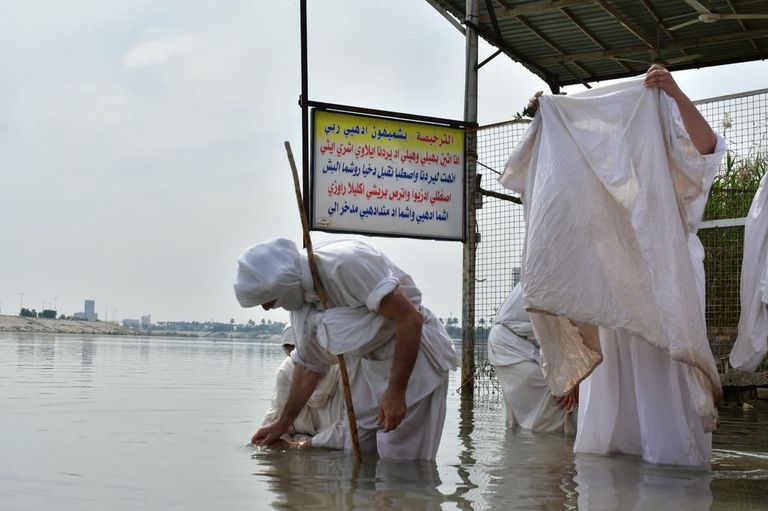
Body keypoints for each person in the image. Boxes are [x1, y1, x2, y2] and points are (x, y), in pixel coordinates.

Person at [504, 65, 725, 467]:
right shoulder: (604, 193)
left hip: (667, 288)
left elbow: (708, 149)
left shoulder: (669, 175)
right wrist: (547, 115)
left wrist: (674, 92)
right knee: (611, 398)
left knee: (662, 384)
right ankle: (613, 484)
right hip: (615, 295)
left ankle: (672, 475)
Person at [234, 238, 459, 460]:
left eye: (267, 300)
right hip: (365, 369)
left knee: (399, 460)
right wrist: (280, 425)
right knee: (356, 450)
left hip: (410, 364)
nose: (266, 308)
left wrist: (396, 392)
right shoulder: (301, 307)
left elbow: (410, 319)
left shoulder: (346, 263)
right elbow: (309, 366)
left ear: (283, 283)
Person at [488, 284, 577, 434]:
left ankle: (521, 443)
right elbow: (554, 333)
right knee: (556, 401)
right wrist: (566, 379)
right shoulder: (555, 280)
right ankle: (552, 445)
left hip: (509, 343)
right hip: (510, 344)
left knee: (521, 413)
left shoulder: (550, 275)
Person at [259, 325, 346, 450]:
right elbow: (275, 425)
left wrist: (301, 445)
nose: (299, 361)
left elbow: (355, 432)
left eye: (300, 352)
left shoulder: (344, 369)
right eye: (291, 352)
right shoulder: (286, 372)